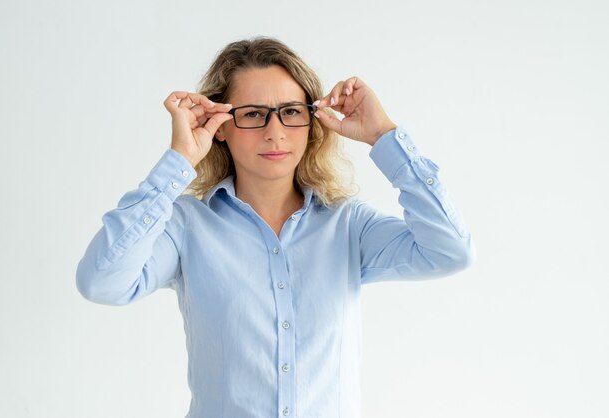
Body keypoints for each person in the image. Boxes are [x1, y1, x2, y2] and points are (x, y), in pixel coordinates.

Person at [76, 36, 475, 418]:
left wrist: (384, 137)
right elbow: (103, 282)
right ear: (222, 126)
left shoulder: (349, 225)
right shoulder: (187, 226)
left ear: (312, 121)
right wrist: (180, 158)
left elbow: (450, 251)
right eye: (252, 114)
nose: (275, 131)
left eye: (291, 111)